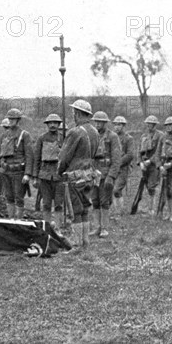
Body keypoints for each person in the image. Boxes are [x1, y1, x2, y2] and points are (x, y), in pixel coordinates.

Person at [57, 99, 99, 251]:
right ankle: (85, 242)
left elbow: (64, 157)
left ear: (79, 114)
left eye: (75, 113)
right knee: (85, 208)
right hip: (89, 175)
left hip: (75, 177)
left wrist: (59, 172)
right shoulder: (95, 132)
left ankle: (76, 244)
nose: (73, 116)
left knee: (75, 211)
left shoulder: (75, 132)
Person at [0, 108, 34, 220]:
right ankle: (11, 220)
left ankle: (18, 221)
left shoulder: (24, 135)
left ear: (18, 120)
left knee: (19, 198)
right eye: (9, 119)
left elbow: (29, 155)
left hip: (19, 172)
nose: (11, 121)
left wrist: (27, 174)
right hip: (5, 171)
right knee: (8, 197)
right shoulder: (3, 136)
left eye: (13, 119)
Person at [90, 111, 121, 237]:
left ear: (105, 123)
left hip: (105, 173)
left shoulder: (112, 137)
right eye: (95, 121)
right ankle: (97, 227)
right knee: (95, 201)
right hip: (93, 173)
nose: (97, 124)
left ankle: (105, 228)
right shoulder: (91, 136)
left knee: (104, 201)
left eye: (100, 122)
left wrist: (111, 176)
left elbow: (117, 158)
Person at [33, 113, 64, 225]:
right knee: (46, 203)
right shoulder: (41, 138)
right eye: (50, 123)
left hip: (59, 174)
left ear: (58, 124)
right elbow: (36, 158)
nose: (52, 125)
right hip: (44, 174)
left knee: (58, 203)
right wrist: (35, 176)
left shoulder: (63, 138)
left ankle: (58, 228)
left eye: (55, 123)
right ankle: (47, 226)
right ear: (47, 124)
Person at [137, 115, 164, 215]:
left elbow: (159, 151)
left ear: (155, 125)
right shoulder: (143, 136)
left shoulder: (160, 135)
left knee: (152, 186)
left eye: (151, 124)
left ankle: (152, 209)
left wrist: (150, 161)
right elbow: (139, 150)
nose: (149, 125)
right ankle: (149, 207)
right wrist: (140, 162)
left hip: (154, 164)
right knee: (147, 186)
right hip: (144, 164)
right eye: (148, 123)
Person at [112, 116, 134, 212]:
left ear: (123, 126)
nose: (117, 127)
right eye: (115, 125)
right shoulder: (112, 137)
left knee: (117, 189)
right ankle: (116, 210)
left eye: (119, 125)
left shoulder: (128, 139)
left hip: (123, 168)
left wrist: (118, 163)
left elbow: (130, 154)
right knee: (111, 189)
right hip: (112, 168)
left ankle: (119, 211)